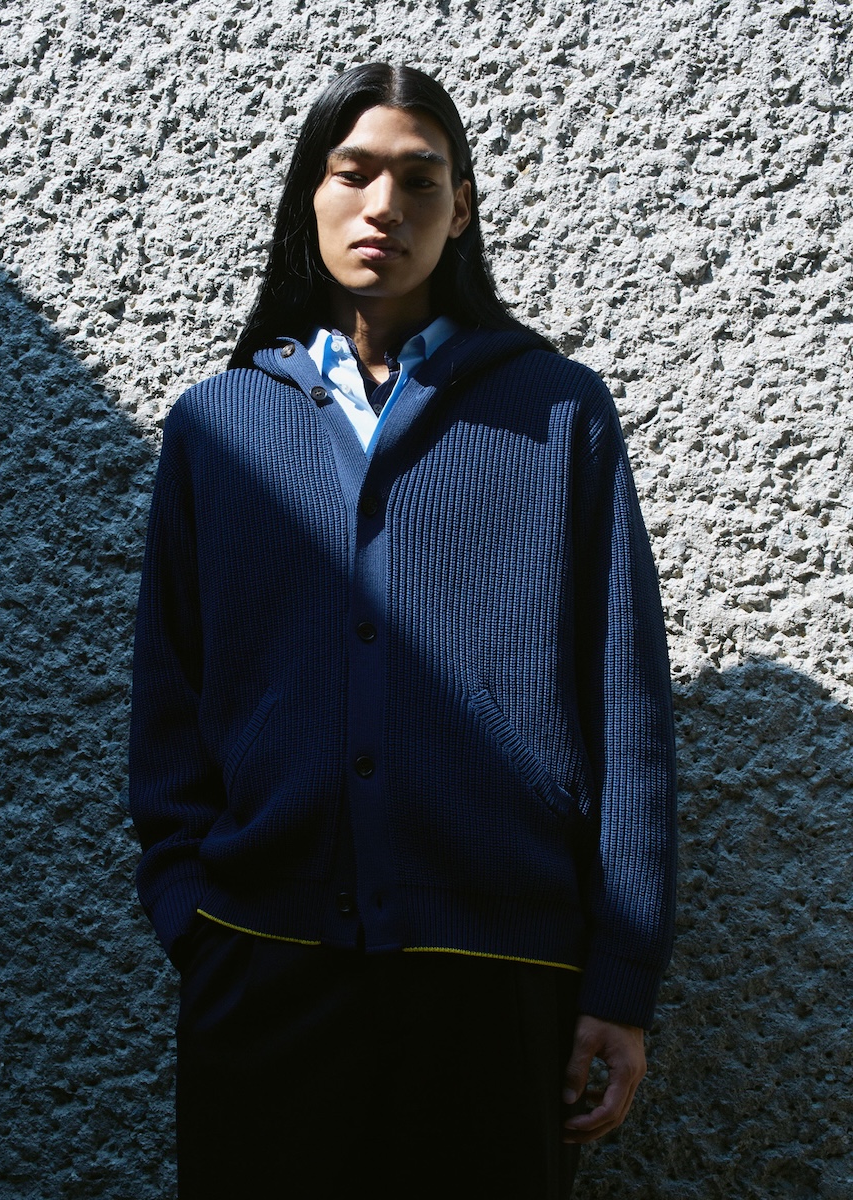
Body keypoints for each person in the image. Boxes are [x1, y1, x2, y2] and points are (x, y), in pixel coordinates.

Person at [129, 63, 676, 1199]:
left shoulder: (558, 413)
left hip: (501, 982)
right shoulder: (218, 426)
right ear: (310, 195)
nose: (384, 205)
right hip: (262, 969)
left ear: (460, 210)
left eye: (420, 180)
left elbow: (625, 702)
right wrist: (192, 911)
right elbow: (170, 691)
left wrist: (620, 981)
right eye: (354, 173)